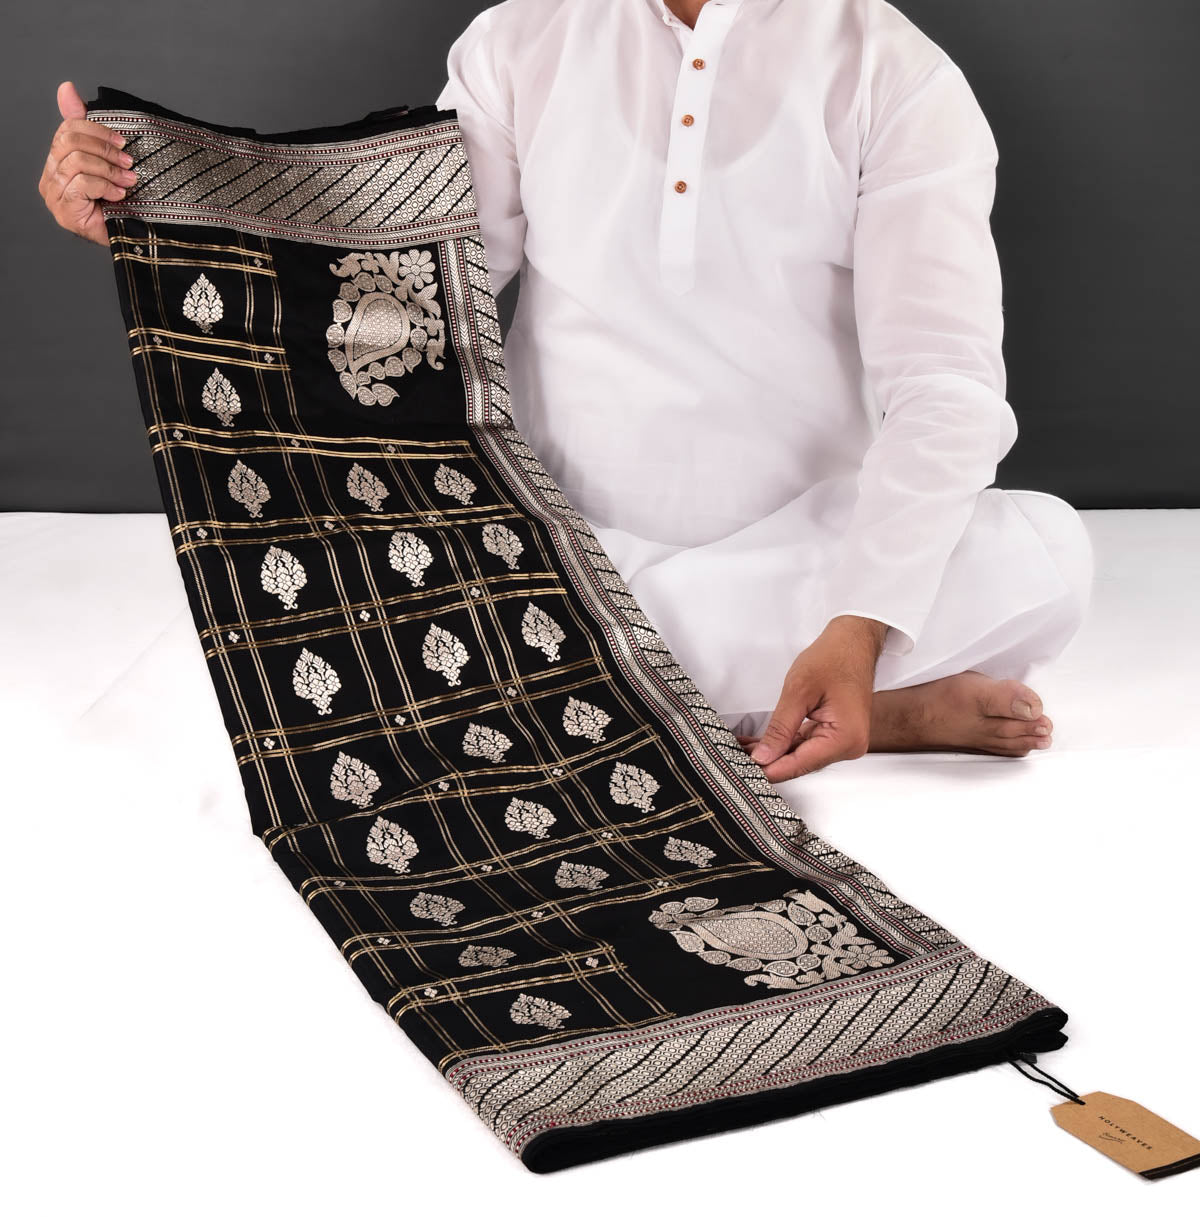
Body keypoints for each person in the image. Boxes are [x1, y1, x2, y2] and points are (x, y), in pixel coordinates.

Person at [38, 0, 1094, 783]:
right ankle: (851, 710)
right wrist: (150, 217)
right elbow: (394, 292)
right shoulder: (519, 41)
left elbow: (946, 386)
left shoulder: (894, 74)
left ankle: (737, 683)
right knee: (322, 582)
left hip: (804, 563)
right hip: (549, 549)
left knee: (1048, 555)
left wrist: (856, 627)